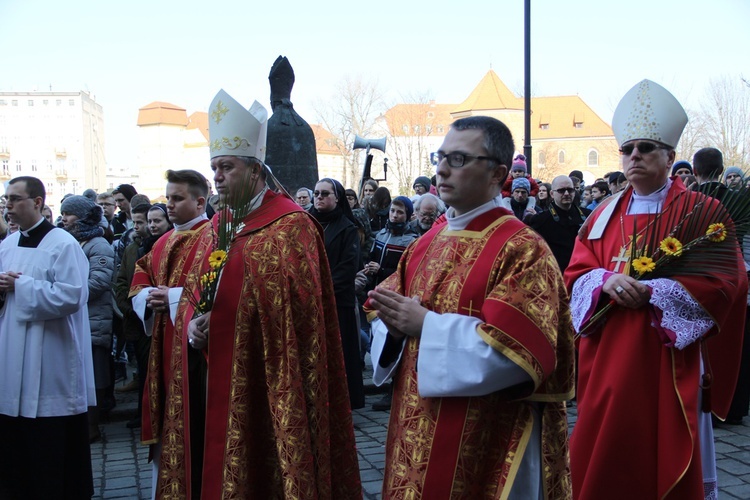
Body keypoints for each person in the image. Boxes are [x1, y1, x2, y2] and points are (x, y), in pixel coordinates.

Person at [365, 116, 574, 498]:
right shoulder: (425, 244)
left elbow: (524, 353)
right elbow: (387, 314)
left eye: (459, 159)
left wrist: (426, 325)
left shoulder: (523, 249)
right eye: (441, 157)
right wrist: (393, 328)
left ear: (497, 172)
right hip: (413, 425)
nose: (442, 169)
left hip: (487, 436)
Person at [565, 79, 747, 499]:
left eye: (646, 148)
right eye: (627, 150)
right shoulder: (601, 216)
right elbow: (574, 274)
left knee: (663, 443)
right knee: (607, 450)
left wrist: (656, 292)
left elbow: (727, 281)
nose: (634, 157)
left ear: (670, 155)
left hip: (669, 357)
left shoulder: (703, 211)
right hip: (608, 358)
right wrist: (605, 280)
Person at [186, 90, 361, 498]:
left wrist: (228, 318)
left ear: (254, 171)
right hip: (221, 371)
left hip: (275, 376)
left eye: (226, 167)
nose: (217, 177)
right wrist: (194, 321)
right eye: (214, 168)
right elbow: (198, 291)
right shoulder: (217, 225)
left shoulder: (292, 226)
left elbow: (301, 312)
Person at [0, 176, 97, 499]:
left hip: (51, 357)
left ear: (38, 202)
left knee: (50, 451)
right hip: (12, 353)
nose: (8, 206)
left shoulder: (62, 244)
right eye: (6, 199)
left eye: (15, 199)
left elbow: (73, 295)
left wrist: (22, 287)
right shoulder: (7, 245)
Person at [130, 169, 213, 498]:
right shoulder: (163, 242)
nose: (170, 206)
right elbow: (141, 273)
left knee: (197, 431)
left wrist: (175, 297)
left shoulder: (216, 237)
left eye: (177, 198)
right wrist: (146, 298)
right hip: (163, 348)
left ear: (200, 201)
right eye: (168, 198)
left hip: (198, 354)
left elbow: (220, 289)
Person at [60, 195, 115, 443]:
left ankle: (93, 427)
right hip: (78, 318)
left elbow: (99, 281)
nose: (64, 218)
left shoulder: (98, 244)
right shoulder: (72, 242)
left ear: (82, 216)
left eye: (68, 213)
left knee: (96, 376)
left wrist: (66, 294)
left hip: (95, 320)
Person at [310, 178, 365, 409]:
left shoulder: (347, 228)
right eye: (316, 193)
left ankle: (340, 400)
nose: (319, 197)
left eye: (325, 193)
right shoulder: (306, 222)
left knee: (338, 354)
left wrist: (321, 290)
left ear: (337, 198)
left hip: (335, 301)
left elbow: (347, 267)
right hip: (308, 300)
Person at [528, 175, 591, 271]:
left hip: (583, 271)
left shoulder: (588, 216)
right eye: (561, 190)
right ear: (552, 194)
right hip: (555, 274)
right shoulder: (540, 221)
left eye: (570, 190)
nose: (566, 193)